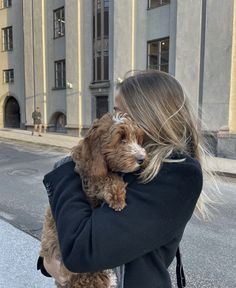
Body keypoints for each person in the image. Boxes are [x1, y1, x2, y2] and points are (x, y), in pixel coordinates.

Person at [37, 70, 217, 287]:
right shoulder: (122, 164)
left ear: (148, 116)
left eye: (121, 112)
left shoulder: (178, 174)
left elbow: (81, 249)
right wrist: (48, 259)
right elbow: (68, 233)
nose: (115, 119)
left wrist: (68, 167)